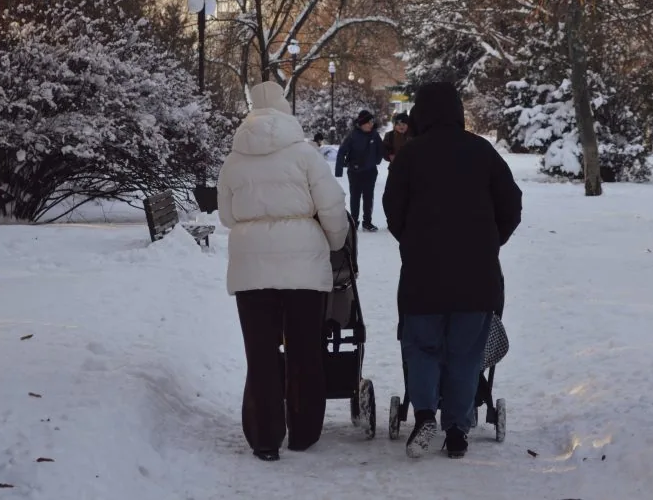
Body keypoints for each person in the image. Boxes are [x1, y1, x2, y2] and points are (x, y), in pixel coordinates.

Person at [382, 82, 522, 460]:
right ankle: (458, 428)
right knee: (465, 353)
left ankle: (425, 413)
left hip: (422, 274)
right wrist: (490, 242)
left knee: (423, 347)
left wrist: (411, 240)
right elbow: (511, 204)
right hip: (476, 276)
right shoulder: (482, 152)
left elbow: (392, 208)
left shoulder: (410, 156)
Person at [217, 81, 349, 462]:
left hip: (250, 268)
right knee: (305, 349)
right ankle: (304, 431)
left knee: (259, 353)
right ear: (285, 110)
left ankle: (264, 437)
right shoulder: (305, 155)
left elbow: (227, 216)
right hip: (303, 268)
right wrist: (335, 243)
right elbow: (332, 208)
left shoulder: (233, 160)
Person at [335, 110, 384, 232]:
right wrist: (339, 170)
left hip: (370, 171)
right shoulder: (352, 136)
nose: (370, 125)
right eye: (367, 122)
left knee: (368, 197)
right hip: (355, 172)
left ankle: (367, 222)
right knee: (355, 197)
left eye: (371, 122)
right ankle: (354, 221)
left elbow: (381, 149)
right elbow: (342, 151)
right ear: (361, 124)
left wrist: (376, 161)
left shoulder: (375, 135)